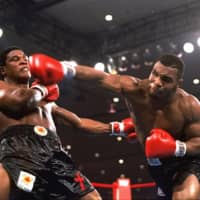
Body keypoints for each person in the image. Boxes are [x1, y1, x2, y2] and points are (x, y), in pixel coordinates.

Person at [30, 53, 200, 199]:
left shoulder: (189, 105)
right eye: (154, 74)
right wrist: (64, 69)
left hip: (187, 161)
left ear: (178, 83)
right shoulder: (135, 89)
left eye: (166, 79)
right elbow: (100, 77)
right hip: (156, 165)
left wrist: (176, 147)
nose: (156, 81)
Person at [0, 47, 135, 200]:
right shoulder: (9, 89)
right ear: (3, 70)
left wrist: (118, 128)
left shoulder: (44, 99)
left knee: (92, 198)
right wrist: (43, 87)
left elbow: (78, 123)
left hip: (55, 155)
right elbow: (19, 101)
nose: (23, 60)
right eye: (15, 59)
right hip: (19, 151)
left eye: (25, 57)